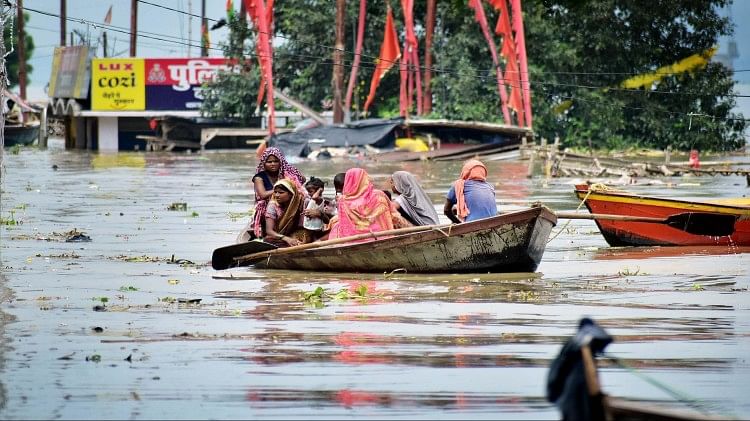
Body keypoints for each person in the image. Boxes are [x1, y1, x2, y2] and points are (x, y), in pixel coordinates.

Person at [239, 147, 305, 242]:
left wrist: (291, 181)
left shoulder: (286, 172)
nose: (273, 164)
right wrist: (282, 189)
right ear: (264, 163)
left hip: (287, 204)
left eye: (276, 161)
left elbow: (302, 179)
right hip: (268, 205)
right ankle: (272, 233)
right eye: (269, 162)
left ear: (280, 162)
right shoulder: (259, 178)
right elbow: (263, 195)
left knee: (302, 200)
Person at [328, 168, 395, 241]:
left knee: (335, 226)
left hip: (353, 239)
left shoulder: (343, 200)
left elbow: (344, 226)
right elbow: (393, 215)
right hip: (381, 234)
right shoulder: (379, 194)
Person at [444, 159, 497, 224]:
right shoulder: (490, 187)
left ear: (465, 172)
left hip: (472, 225)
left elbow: (446, 210)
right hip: (494, 223)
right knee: (456, 211)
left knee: (453, 219)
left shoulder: (459, 185)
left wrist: (458, 224)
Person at [264, 179, 312, 247]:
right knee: (270, 242)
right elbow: (269, 231)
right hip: (279, 237)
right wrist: (287, 239)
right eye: (275, 192)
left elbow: (308, 225)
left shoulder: (301, 202)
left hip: (296, 234)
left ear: (291, 194)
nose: (277, 195)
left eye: (281, 192)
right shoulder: (273, 206)